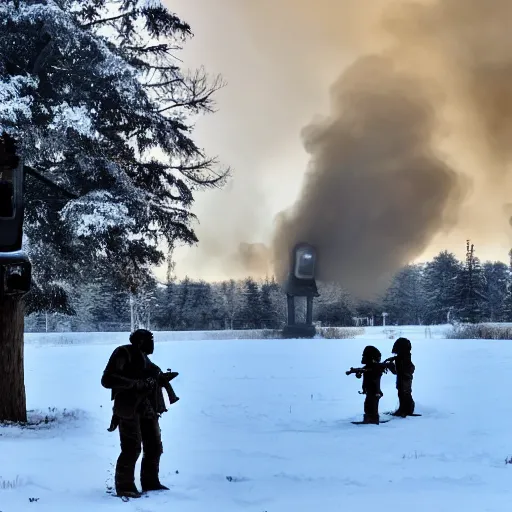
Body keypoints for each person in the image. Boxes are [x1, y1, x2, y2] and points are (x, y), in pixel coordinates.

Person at [101, 329, 179, 498]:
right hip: (128, 408)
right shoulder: (123, 353)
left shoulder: (145, 359)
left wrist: (160, 379)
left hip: (147, 408)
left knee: (154, 447)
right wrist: (135, 384)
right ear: (141, 341)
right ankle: (125, 486)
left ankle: (150, 482)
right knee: (131, 448)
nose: (153, 345)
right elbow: (107, 380)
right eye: (150, 340)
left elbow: (147, 377)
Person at [346, 345, 393, 424]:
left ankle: (373, 419)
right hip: (371, 390)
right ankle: (370, 418)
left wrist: (361, 371)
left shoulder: (377, 367)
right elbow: (366, 370)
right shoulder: (372, 367)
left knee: (371, 404)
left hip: (374, 391)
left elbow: (371, 370)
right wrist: (359, 372)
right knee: (369, 404)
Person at [384, 337, 416, 417]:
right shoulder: (403, 358)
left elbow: (399, 371)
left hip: (404, 381)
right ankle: (403, 410)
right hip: (403, 381)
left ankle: (405, 410)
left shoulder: (403, 359)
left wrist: (390, 365)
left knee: (404, 394)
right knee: (402, 394)